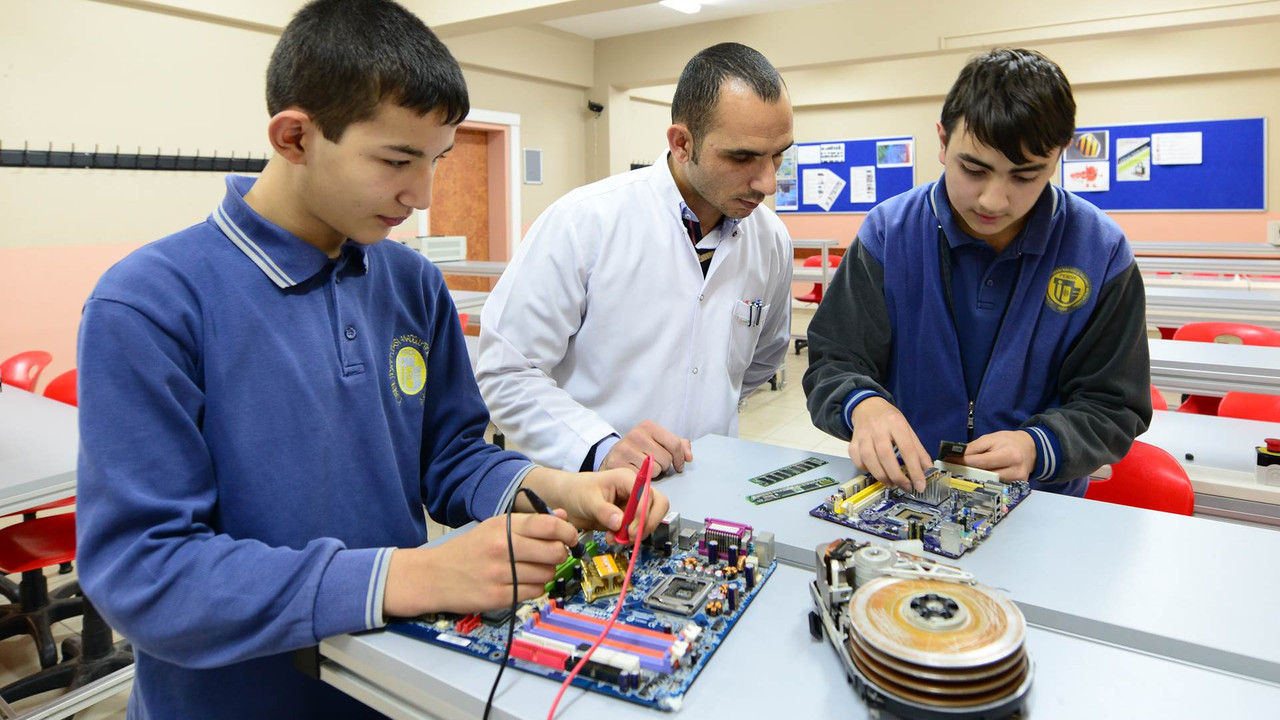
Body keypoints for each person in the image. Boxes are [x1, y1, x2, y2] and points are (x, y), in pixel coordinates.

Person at [74, 2, 667, 718]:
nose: (421, 196)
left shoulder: (411, 283)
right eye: (395, 160)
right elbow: (147, 572)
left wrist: (555, 486)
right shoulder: (150, 302)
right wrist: (408, 577)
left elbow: (448, 457)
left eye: (436, 160)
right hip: (231, 699)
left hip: (391, 686)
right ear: (295, 137)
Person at [803, 48, 1151, 496]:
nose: (992, 200)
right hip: (905, 492)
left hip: (1038, 504)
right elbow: (834, 360)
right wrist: (863, 405)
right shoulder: (888, 233)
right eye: (973, 169)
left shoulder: (1100, 252)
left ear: (1059, 156)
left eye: (1025, 177)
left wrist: (1039, 446)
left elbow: (1115, 404)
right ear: (942, 141)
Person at [477, 43, 794, 476]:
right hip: (594, 488)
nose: (768, 182)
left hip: (710, 482)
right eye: (742, 157)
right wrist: (600, 448)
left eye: (779, 154)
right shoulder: (584, 222)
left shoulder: (770, 239)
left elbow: (763, 359)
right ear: (682, 143)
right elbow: (507, 369)